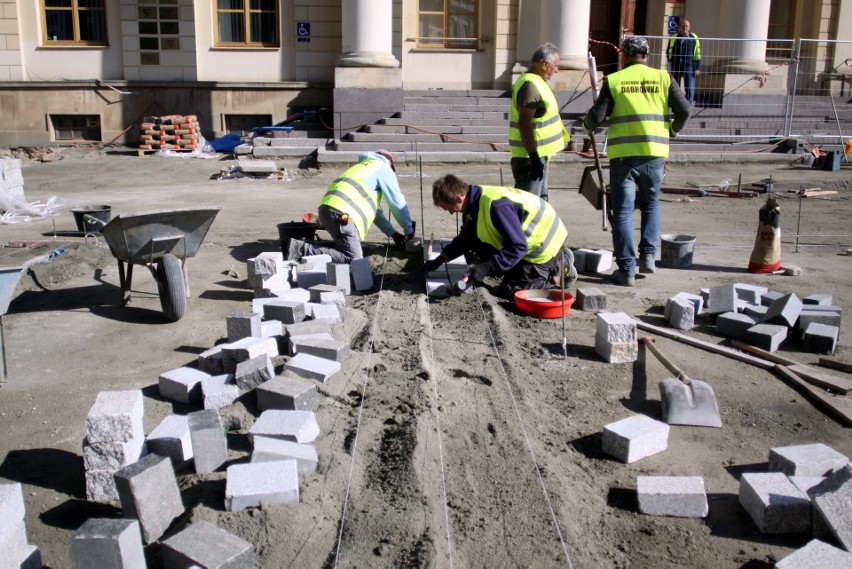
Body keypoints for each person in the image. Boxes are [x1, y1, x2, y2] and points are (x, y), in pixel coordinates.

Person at [583, 36, 691, 287]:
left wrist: (587, 125)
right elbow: (685, 109)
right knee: (651, 204)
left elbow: (597, 116)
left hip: (624, 156)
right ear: (647, 55)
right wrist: (672, 131)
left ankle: (627, 269)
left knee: (622, 212)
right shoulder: (663, 78)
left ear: (623, 55)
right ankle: (648, 258)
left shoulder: (615, 80)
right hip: (654, 153)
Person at [423, 174, 574, 299]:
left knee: (514, 291)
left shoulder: (497, 207)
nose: (450, 213)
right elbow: (466, 239)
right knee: (482, 250)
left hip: (543, 245)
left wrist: (487, 267)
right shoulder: (473, 203)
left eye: (449, 208)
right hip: (520, 243)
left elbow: (519, 247)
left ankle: (561, 265)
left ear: (458, 198)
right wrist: (440, 259)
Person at [287, 151, 415, 263]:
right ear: (389, 161)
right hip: (341, 214)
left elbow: (375, 212)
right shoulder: (383, 167)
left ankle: (304, 245)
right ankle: (302, 249)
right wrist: (409, 230)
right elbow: (397, 203)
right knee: (353, 257)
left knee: (345, 247)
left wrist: (393, 234)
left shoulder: (363, 168)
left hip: (328, 209)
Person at [509, 42, 571, 202]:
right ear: (545, 65)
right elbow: (524, 123)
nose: (556, 70)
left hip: (537, 156)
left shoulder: (536, 83)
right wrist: (534, 157)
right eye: (555, 65)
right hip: (529, 158)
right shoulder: (531, 86)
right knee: (528, 206)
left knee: (540, 203)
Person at [666, 19, 701, 105]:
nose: (684, 28)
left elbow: (697, 53)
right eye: (683, 26)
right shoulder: (674, 37)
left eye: (686, 26)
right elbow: (669, 50)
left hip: (689, 66)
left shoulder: (694, 38)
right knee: (675, 87)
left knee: (689, 87)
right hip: (676, 65)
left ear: (689, 27)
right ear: (680, 27)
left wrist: (697, 68)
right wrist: (670, 60)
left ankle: (689, 105)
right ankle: (676, 104)